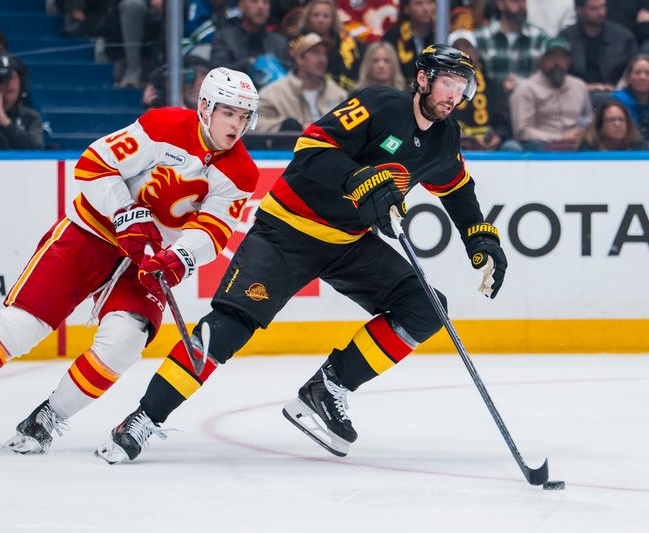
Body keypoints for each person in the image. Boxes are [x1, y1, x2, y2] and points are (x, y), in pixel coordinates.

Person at [95, 44, 509, 464]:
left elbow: (457, 188)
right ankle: (143, 417)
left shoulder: (444, 138)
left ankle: (327, 389)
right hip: (286, 232)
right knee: (228, 328)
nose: (453, 95)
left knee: (424, 307)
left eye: (461, 87)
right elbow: (311, 148)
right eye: (447, 83)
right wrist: (358, 179)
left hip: (348, 243)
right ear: (422, 78)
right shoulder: (380, 104)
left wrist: (480, 237)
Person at [0, 67, 261, 455]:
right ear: (205, 107)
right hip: (90, 234)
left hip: (143, 262)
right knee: (20, 326)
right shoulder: (162, 124)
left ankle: (47, 417)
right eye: (229, 113)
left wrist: (178, 258)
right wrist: (126, 212)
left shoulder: (241, 172)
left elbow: (214, 231)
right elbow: (93, 165)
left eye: (244, 116)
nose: (237, 124)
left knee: (123, 344)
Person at [509, 36, 592, 151]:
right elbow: (523, 132)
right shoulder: (526, 90)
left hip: (576, 145)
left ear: (569, 62)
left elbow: (588, 121)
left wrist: (581, 134)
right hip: (542, 145)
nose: (557, 62)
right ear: (540, 61)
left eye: (562, 57)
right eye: (551, 57)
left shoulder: (579, 86)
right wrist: (559, 138)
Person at [255, 32, 347, 132]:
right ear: (299, 59)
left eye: (325, 54)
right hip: (291, 147)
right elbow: (254, 124)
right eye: (316, 53)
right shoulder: (273, 93)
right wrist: (287, 126)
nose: (323, 60)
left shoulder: (338, 94)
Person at [559, 0, 637, 93]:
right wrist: (585, 87)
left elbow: (634, 67)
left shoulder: (623, 38)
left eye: (602, 7)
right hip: (575, 93)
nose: (601, 13)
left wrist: (619, 88)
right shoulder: (566, 38)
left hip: (615, 94)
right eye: (594, 9)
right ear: (579, 10)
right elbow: (558, 73)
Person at [210, 0, 291, 89]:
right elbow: (216, 73)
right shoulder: (224, 37)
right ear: (240, 6)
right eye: (254, 1)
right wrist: (248, 64)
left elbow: (289, 76)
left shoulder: (279, 42)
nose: (261, 6)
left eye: (265, 2)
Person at [473, 0, 548, 94]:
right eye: (515, 1)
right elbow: (475, 81)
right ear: (500, 4)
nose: (522, 6)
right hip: (492, 104)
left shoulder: (539, 38)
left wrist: (524, 85)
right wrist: (500, 86)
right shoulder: (481, 37)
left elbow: (547, 82)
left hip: (530, 102)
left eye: (524, 1)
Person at [294, 0, 365, 91]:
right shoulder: (295, 42)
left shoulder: (347, 43)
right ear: (308, 18)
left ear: (333, 19)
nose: (320, 20)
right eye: (316, 15)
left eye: (326, 16)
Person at [383, 0, 436, 85]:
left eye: (429, 2)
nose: (425, 8)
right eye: (419, 3)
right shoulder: (393, 36)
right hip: (400, 89)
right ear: (406, 8)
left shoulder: (441, 35)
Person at [578, 99, 645, 150]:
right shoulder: (588, 148)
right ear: (600, 125)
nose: (617, 124)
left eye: (621, 120)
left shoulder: (638, 147)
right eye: (611, 120)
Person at [612, 54, 649, 140]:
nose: (642, 77)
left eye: (648, 73)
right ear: (628, 77)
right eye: (637, 72)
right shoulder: (617, 101)